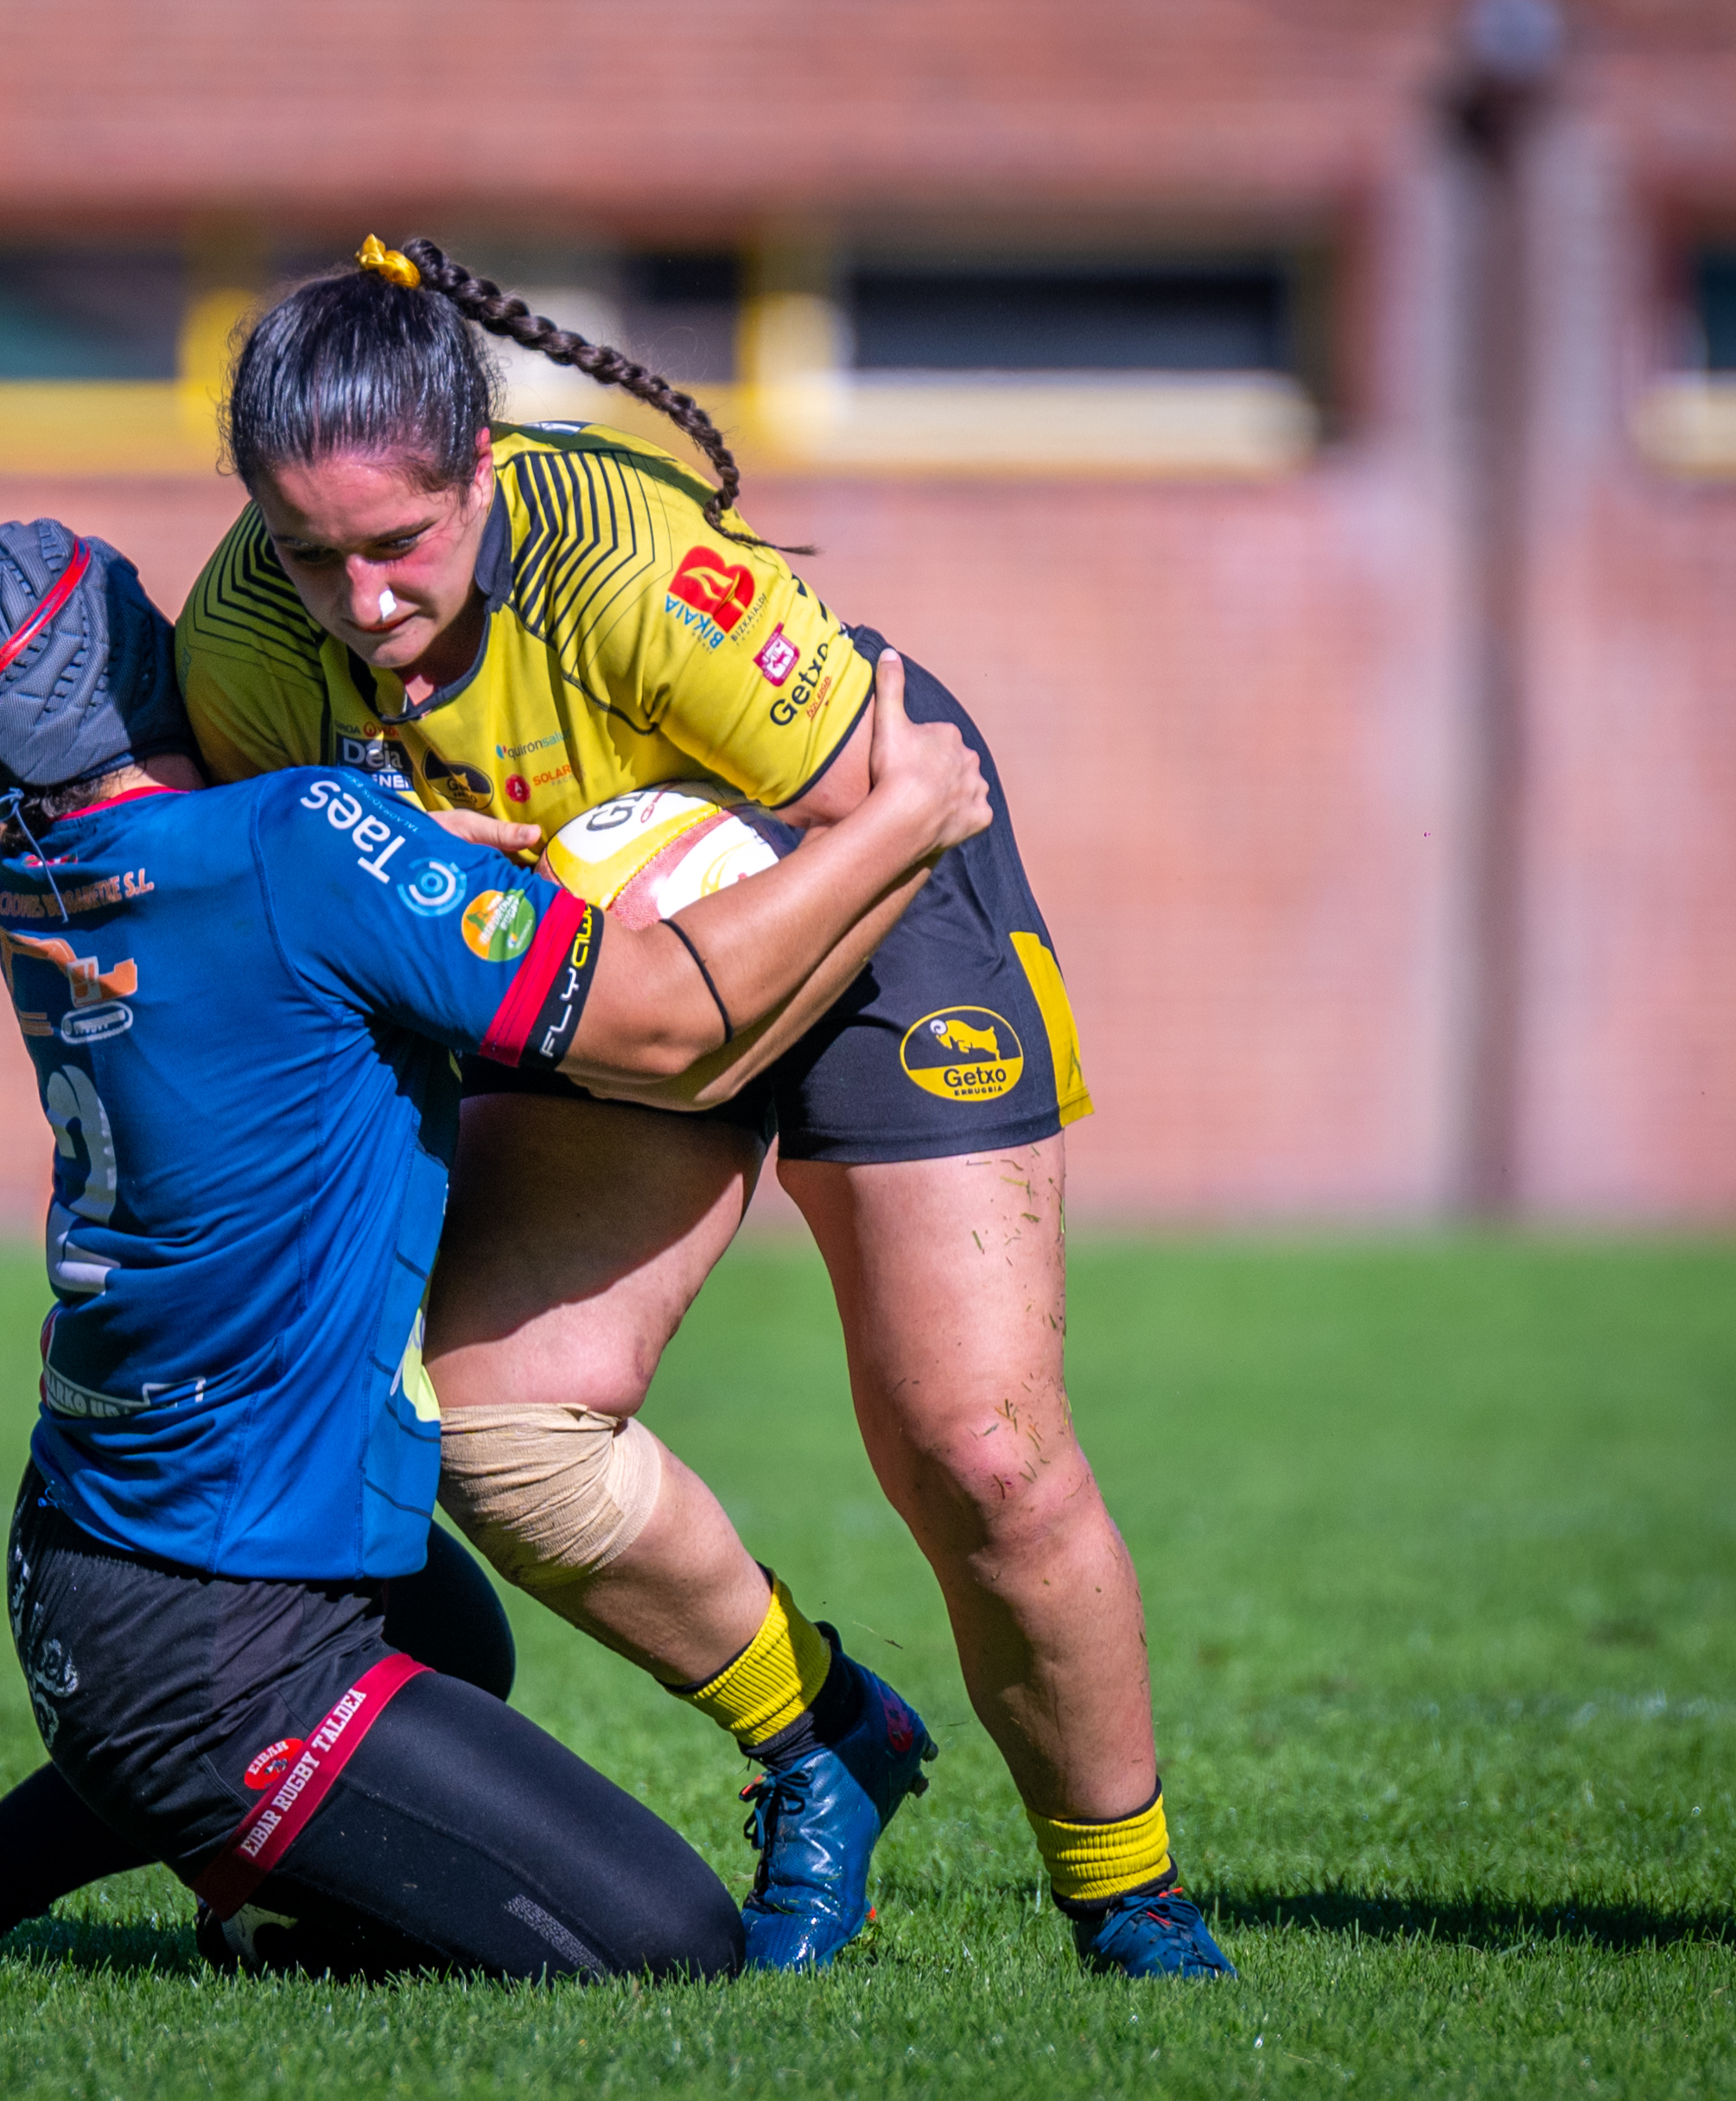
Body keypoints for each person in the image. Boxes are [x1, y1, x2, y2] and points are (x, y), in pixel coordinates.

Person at [167, 236, 1234, 1980]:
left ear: (485, 476)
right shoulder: (242, 650)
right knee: (498, 1423)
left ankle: (1129, 1899)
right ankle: (825, 1738)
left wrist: (666, 972)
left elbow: (886, 801)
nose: (357, 603)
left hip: (874, 876)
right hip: (615, 976)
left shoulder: (629, 565)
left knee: (974, 1445)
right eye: (308, 556)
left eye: (399, 546)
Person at [0, 515, 989, 1980]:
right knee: (671, 1948)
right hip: (212, 1652)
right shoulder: (296, 845)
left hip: (101, 1559)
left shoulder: (36, 879)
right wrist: (900, 821)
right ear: (138, 665)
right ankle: (273, 1914)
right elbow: (662, 1021)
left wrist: (394, 848)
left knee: (453, 1649)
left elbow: (272, 950)